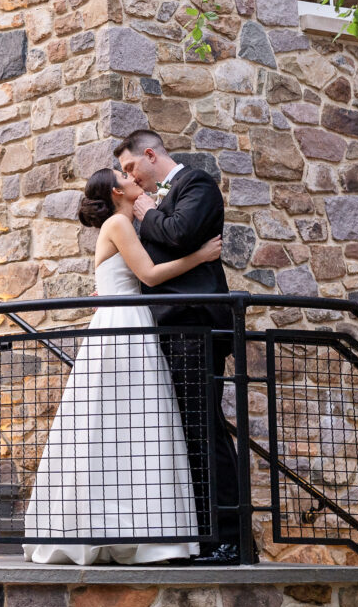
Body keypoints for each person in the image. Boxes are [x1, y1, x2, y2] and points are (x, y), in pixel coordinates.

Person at [22, 167, 222, 566]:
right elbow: (148, 275)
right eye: (125, 177)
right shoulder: (118, 223)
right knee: (122, 419)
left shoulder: (126, 225)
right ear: (116, 191)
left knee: (129, 422)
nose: (134, 179)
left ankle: (137, 527)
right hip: (124, 323)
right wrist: (200, 257)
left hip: (130, 320)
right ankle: (118, 529)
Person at [114, 128, 242, 565]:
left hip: (195, 325)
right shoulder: (151, 204)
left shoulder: (197, 184)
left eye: (132, 166)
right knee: (184, 432)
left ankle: (230, 539)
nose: (132, 177)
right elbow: (156, 265)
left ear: (150, 154)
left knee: (205, 429)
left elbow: (181, 234)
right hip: (167, 328)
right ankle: (199, 537)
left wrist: (149, 213)